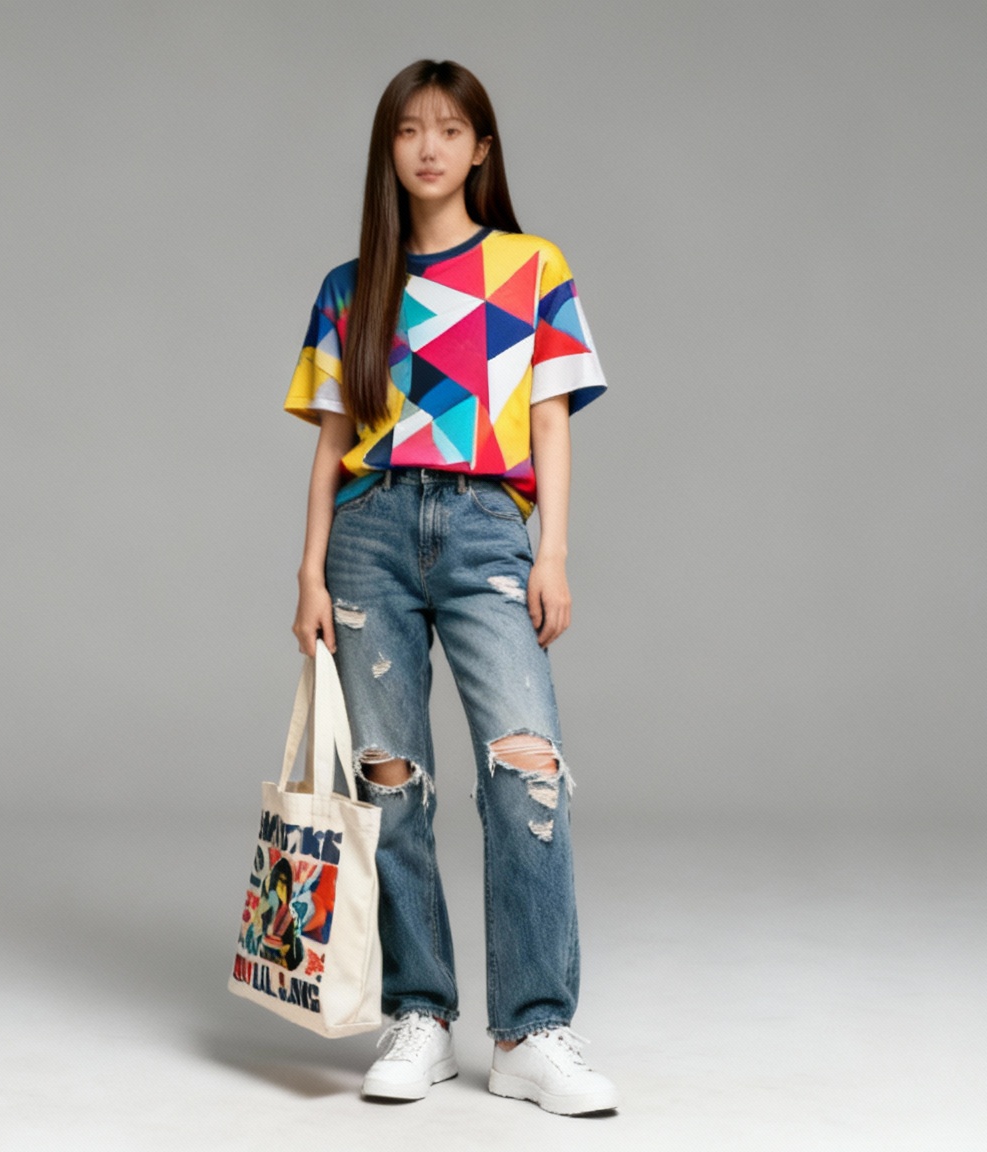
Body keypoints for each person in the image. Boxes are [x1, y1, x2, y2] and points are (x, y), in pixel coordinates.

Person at [282, 59, 619, 1117]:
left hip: (485, 530)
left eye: (449, 128)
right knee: (389, 785)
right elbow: (334, 440)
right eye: (407, 130)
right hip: (368, 537)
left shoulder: (530, 269)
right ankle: (418, 1013)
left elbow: (552, 419)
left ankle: (531, 1029)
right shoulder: (350, 287)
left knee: (523, 767)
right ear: (388, 151)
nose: (427, 146)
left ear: (481, 149)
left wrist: (551, 551)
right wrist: (305, 568)